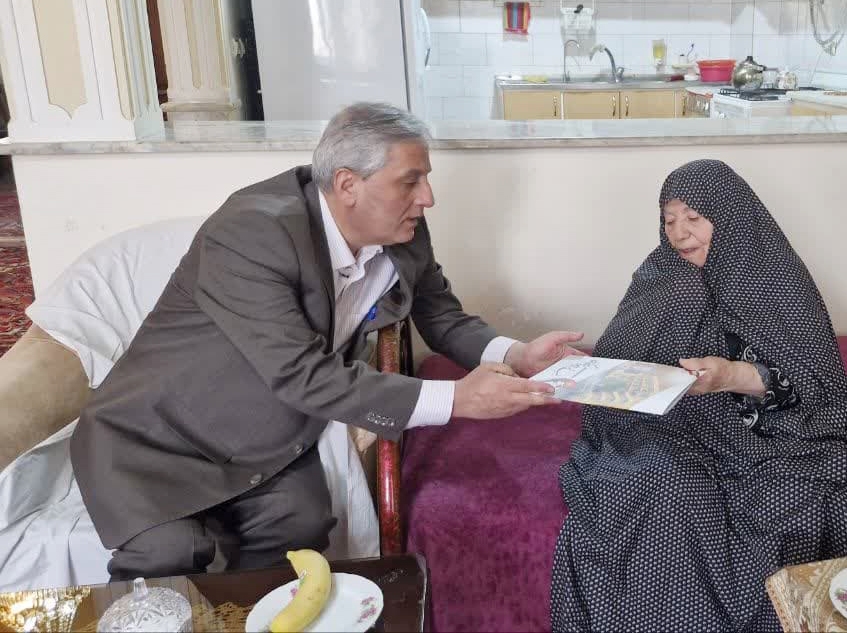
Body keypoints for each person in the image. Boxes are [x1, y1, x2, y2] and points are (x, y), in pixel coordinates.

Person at [71, 102, 583, 580]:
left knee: (301, 530)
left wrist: (517, 354)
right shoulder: (251, 233)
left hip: (268, 442)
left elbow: (443, 317)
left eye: (426, 179)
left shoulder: (404, 234)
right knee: (170, 554)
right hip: (158, 438)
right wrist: (455, 399)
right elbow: (300, 373)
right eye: (411, 181)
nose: (428, 197)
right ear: (347, 184)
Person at [550, 159, 847, 632]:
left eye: (694, 217)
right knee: (663, 487)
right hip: (666, 425)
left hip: (764, 433)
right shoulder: (660, 275)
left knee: (817, 493)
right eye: (669, 219)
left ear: (729, 215)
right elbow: (621, 360)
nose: (680, 233)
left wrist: (732, 376)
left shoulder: (774, 277)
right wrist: (587, 371)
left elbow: (815, 388)